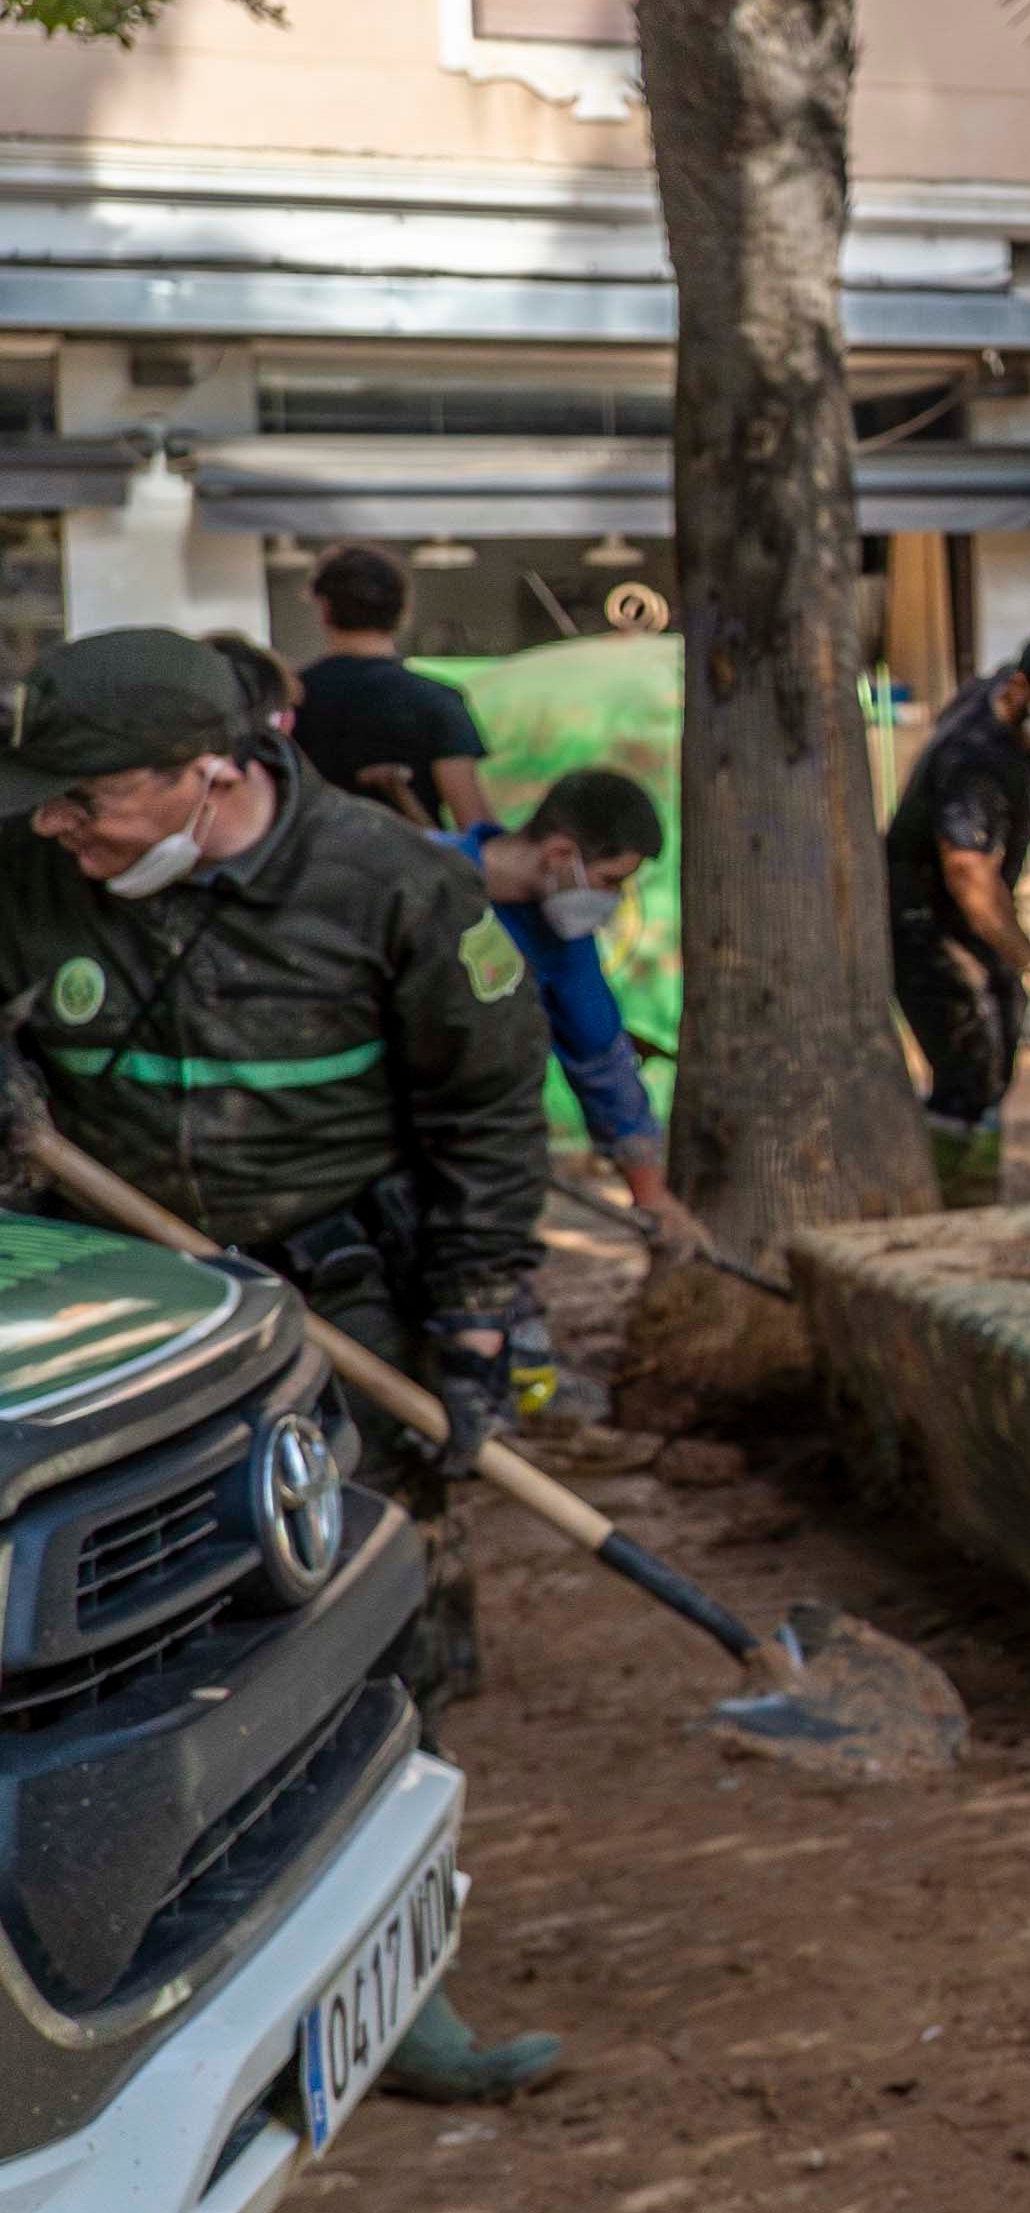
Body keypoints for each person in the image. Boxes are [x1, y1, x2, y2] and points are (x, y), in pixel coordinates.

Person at [0, 625, 570, 2101]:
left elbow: (491, 1122)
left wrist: (478, 1320)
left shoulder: (394, 888)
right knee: (146, 1673)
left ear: (209, 778)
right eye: (44, 802)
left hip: (335, 1320)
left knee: (369, 1651)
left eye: (87, 804)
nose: (58, 829)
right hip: (116, 1332)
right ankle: (162, 1991)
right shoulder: (30, 863)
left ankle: (404, 1980)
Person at [886, 632, 1030, 1208]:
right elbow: (969, 875)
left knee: (1005, 1022)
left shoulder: (995, 699)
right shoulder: (972, 761)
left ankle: (972, 1179)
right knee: (970, 1057)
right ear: (1020, 689)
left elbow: (1021, 757)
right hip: (924, 919)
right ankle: (949, 1194)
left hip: (961, 920)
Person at [461, 765, 698, 1266]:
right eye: (610, 881)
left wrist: (650, 1195)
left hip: (478, 1164)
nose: (611, 900)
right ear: (560, 854)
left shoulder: (562, 941)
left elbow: (600, 1057)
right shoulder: (412, 879)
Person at [292, 542, 491, 830]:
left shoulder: (290, 700)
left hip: (311, 870)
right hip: (415, 869)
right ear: (404, 612)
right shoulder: (437, 701)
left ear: (323, 607)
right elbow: (474, 824)